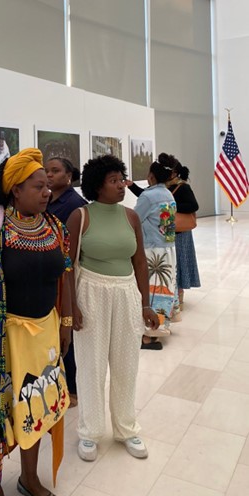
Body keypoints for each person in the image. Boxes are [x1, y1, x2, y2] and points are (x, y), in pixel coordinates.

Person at [0, 148, 73, 496]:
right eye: (37, 186)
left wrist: (65, 321)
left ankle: (29, 478)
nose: (46, 192)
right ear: (15, 190)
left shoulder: (54, 226)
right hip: (0, 337)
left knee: (34, 407)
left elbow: (66, 273)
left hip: (45, 335)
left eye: (47, 185)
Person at [65, 155, 159, 462]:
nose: (122, 186)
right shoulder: (81, 216)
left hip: (125, 293)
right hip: (91, 292)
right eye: (114, 181)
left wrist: (146, 302)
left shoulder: (130, 216)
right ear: (97, 185)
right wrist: (72, 307)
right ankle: (90, 432)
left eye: (122, 179)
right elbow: (67, 267)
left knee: (126, 363)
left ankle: (126, 428)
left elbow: (140, 261)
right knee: (91, 365)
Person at [45, 157, 86, 407]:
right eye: (47, 171)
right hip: (49, 272)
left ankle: (73, 389)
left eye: (55, 171)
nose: (49, 175)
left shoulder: (75, 205)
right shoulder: (46, 199)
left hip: (67, 273)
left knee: (67, 332)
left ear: (68, 176)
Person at [133, 156, 178, 351]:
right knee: (164, 288)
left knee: (150, 291)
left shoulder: (148, 196)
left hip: (151, 251)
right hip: (167, 248)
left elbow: (135, 219)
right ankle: (161, 326)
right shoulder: (168, 193)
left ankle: (149, 336)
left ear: (151, 176)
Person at [167, 160, 200, 308]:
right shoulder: (163, 186)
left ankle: (179, 294)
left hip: (181, 232)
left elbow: (194, 205)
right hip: (169, 229)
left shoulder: (183, 187)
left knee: (180, 262)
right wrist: (131, 186)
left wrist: (172, 205)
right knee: (172, 262)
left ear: (174, 172)